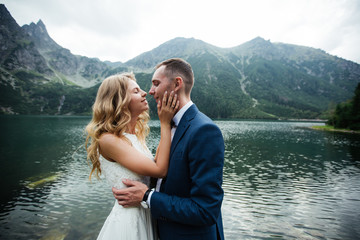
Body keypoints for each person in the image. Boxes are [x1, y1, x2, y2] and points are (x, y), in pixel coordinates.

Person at [112, 58, 225, 240]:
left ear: (177, 84)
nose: (150, 91)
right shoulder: (170, 124)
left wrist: (147, 196)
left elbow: (206, 210)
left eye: (156, 84)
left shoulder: (204, 130)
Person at [85, 72, 179, 240]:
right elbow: (160, 170)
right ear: (119, 100)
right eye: (136, 91)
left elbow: (154, 164)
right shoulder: (108, 140)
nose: (144, 93)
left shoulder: (133, 136)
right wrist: (164, 122)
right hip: (129, 222)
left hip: (145, 214)